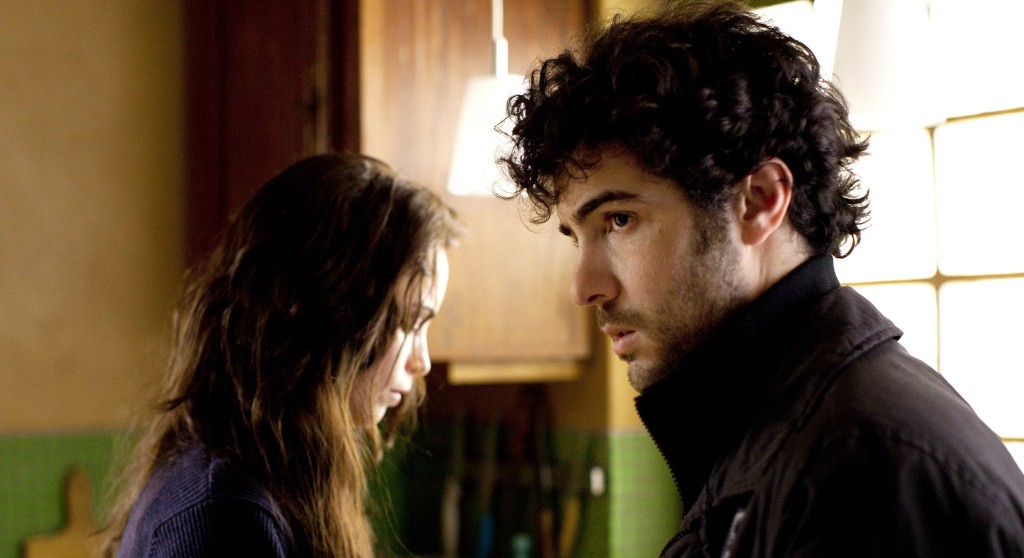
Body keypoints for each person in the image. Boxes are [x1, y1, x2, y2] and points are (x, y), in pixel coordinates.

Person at [499, 2, 1024, 556]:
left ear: (760, 201)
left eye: (620, 220)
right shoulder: (777, 426)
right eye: (576, 237)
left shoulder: (864, 472)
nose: (584, 288)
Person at [101, 153, 458, 558]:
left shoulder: (277, 475)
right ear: (322, 310)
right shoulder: (226, 514)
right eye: (409, 323)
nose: (422, 362)